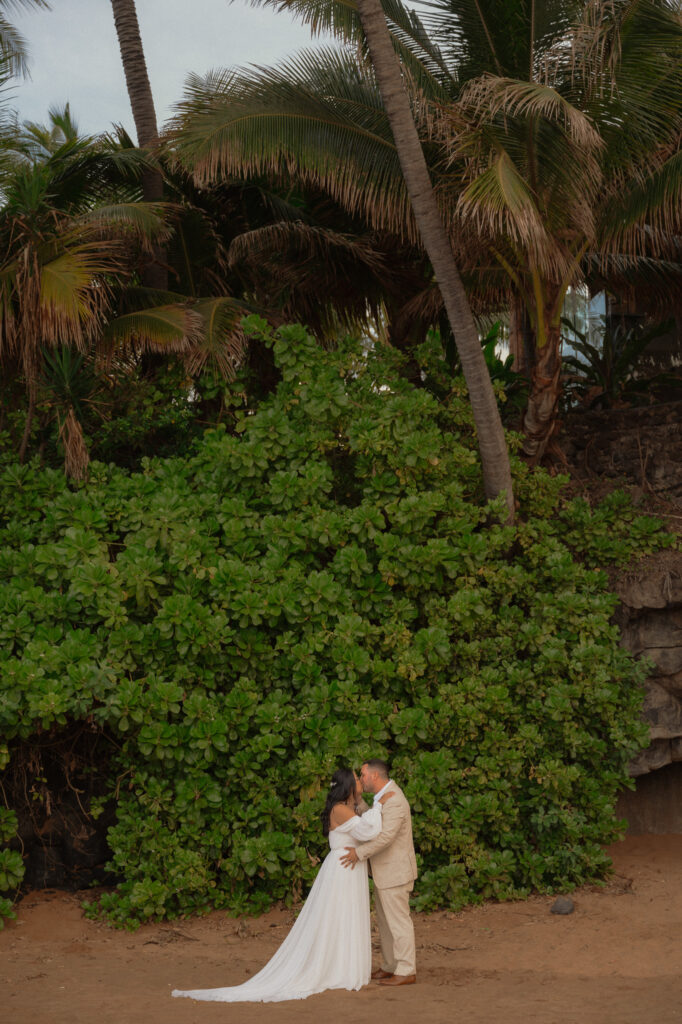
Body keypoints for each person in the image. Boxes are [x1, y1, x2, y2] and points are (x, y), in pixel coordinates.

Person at [171, 767, 394, 1003]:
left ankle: (342, 965)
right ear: (348, 784)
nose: (361, 781)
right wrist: (380, 805)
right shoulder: (340, 809)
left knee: (345, 918)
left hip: (349, 868)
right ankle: (337, 969)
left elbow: (363, 826)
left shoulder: (349, 807)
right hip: (343, 869)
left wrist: (364, 804)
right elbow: (370, 830)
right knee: (337, 918)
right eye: (357, 778)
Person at [340, 758, 418, 986]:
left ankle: (406, 969)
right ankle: (390, 965)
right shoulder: (382, 798)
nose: (361, 779)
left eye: (362, 775)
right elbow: (373, 824)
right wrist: (360, 802)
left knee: (398, 922)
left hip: (395, 872)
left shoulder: (394, 799)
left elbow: (385, 837)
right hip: (385, 872)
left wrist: (358, 853)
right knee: (385, 922)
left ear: (374, 775)